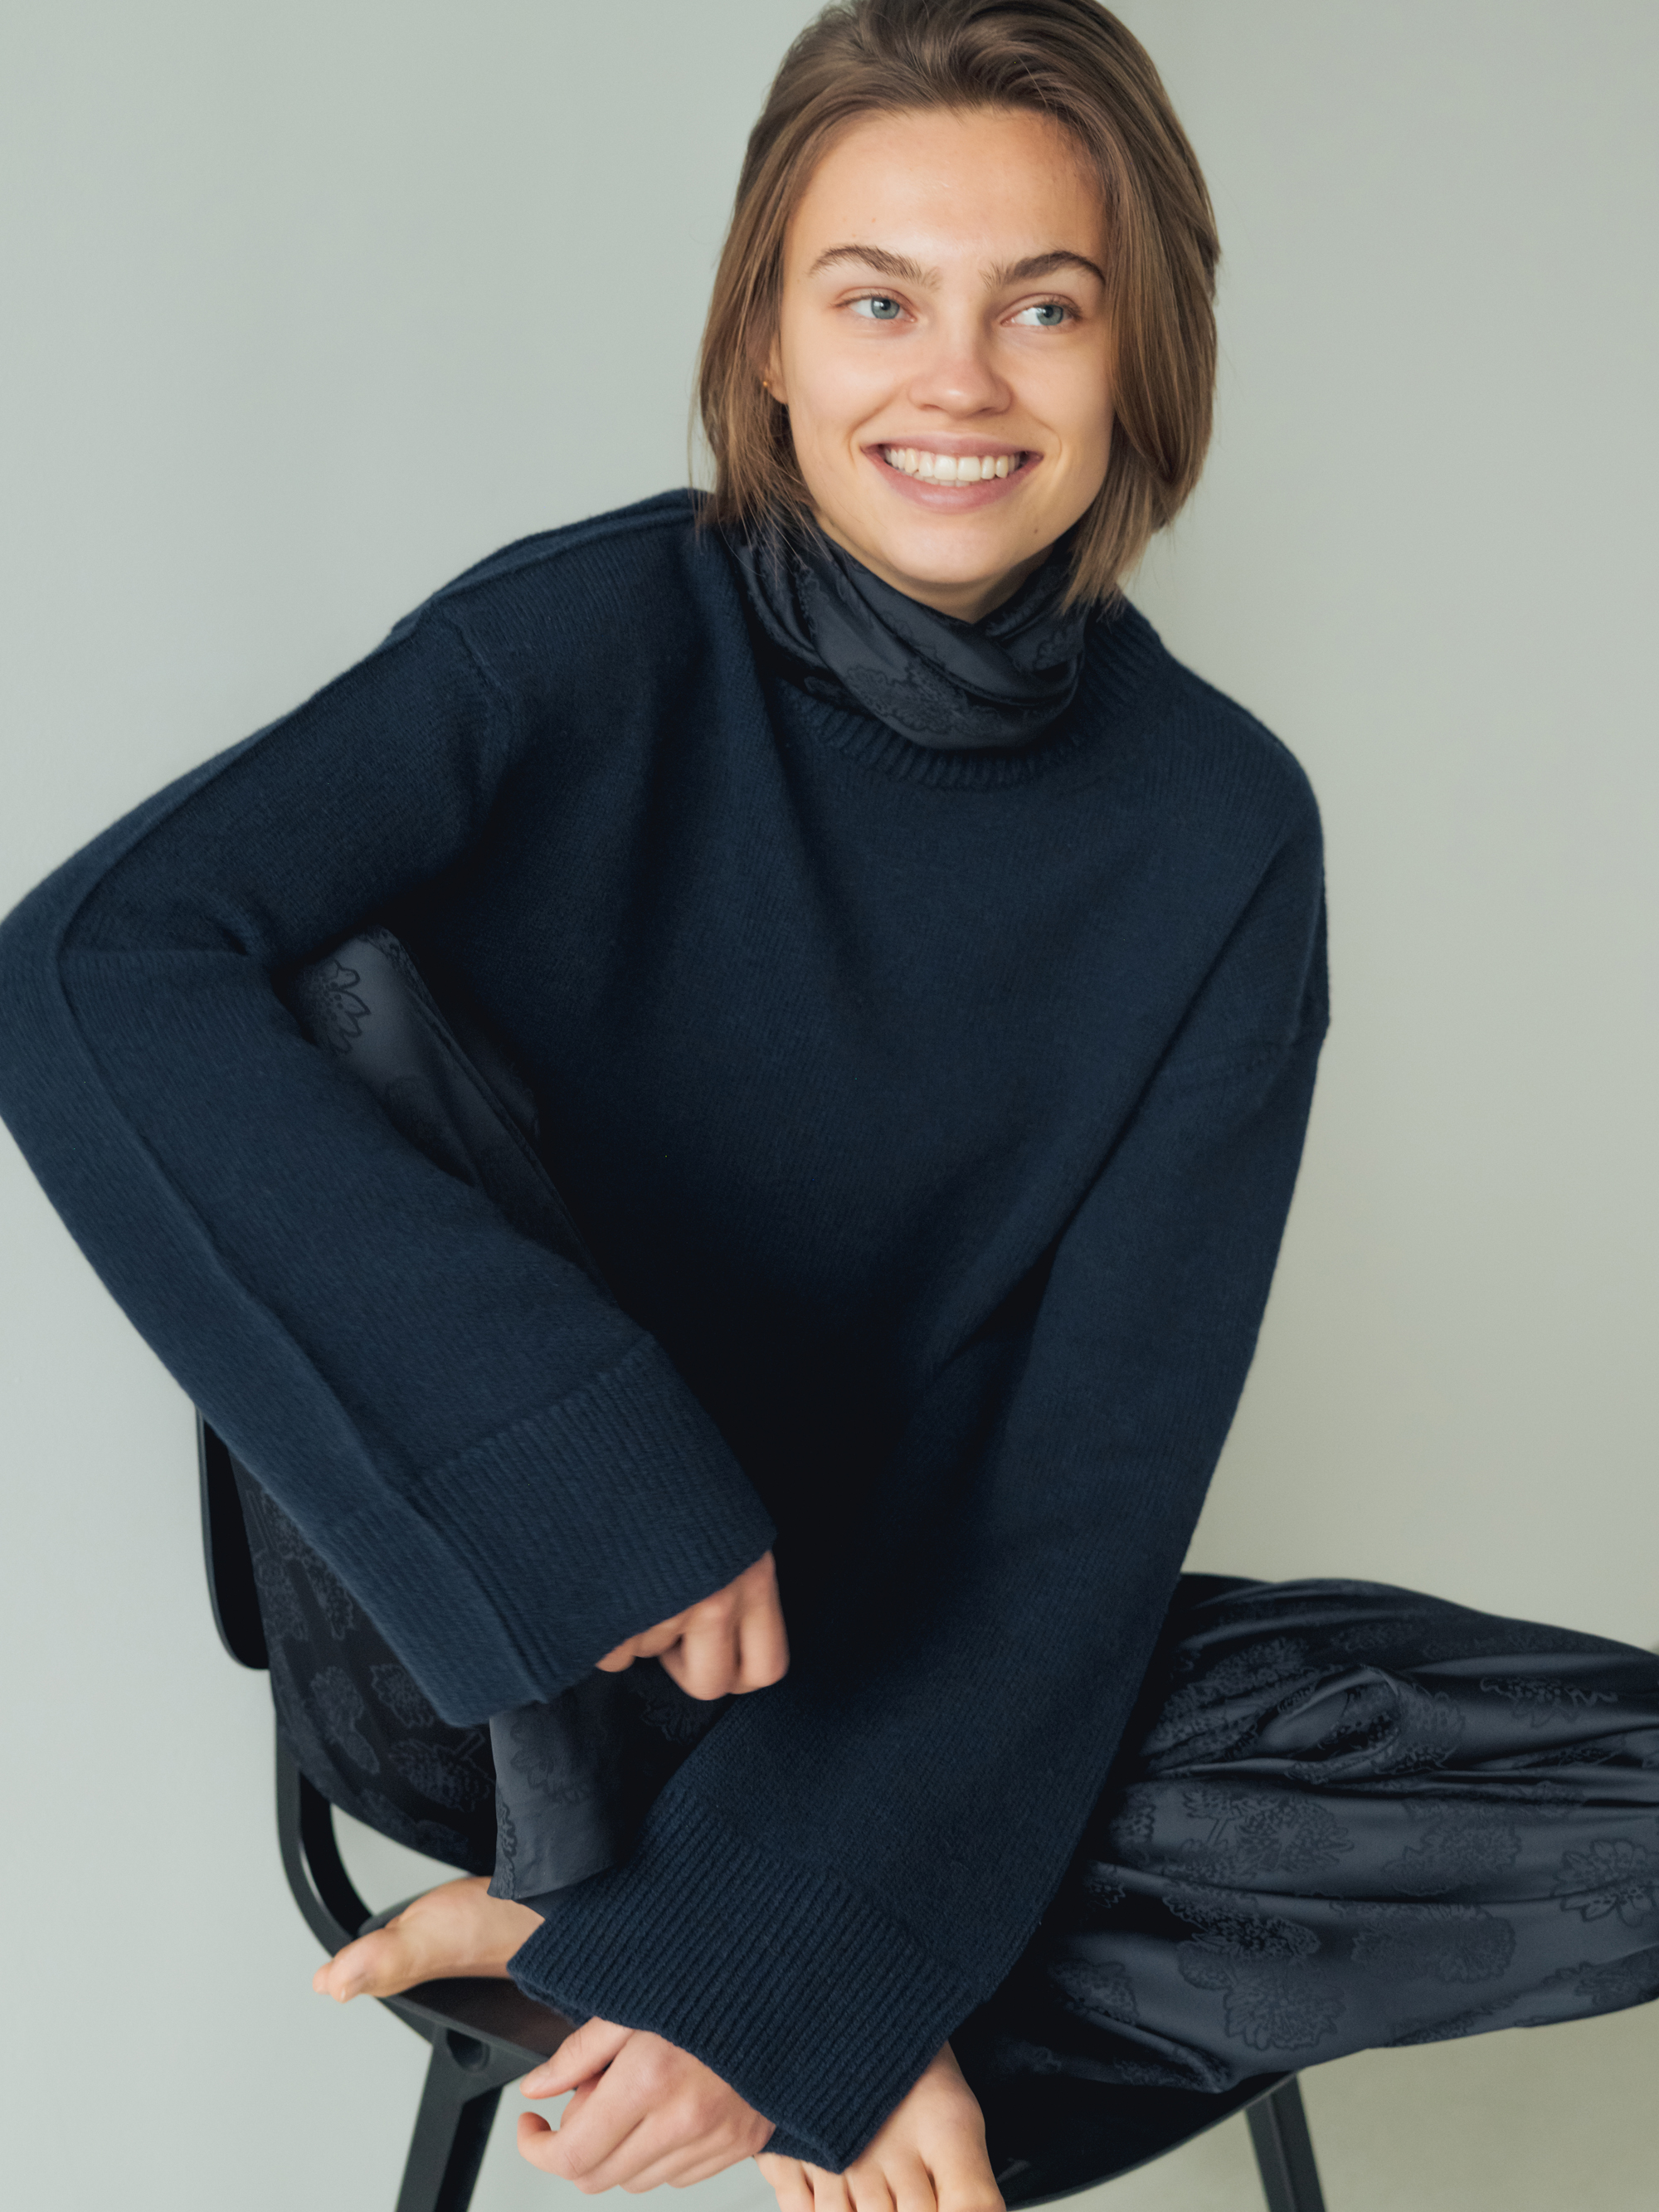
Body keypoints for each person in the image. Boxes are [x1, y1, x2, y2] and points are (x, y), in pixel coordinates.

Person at [2, 2, 1656, 2206]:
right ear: (768, 342)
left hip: (912, 1663)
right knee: (316, 961)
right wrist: (604, 1471)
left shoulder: (1223, 832)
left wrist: (780, 1949)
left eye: (1041, 308)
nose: (954, 384)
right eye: (875, 299)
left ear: (1136, 353)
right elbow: (80, 968)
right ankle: (748, 1934)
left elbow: (1076, 1516)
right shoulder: (581, 645)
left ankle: (733, 1963)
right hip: (495, 1648)